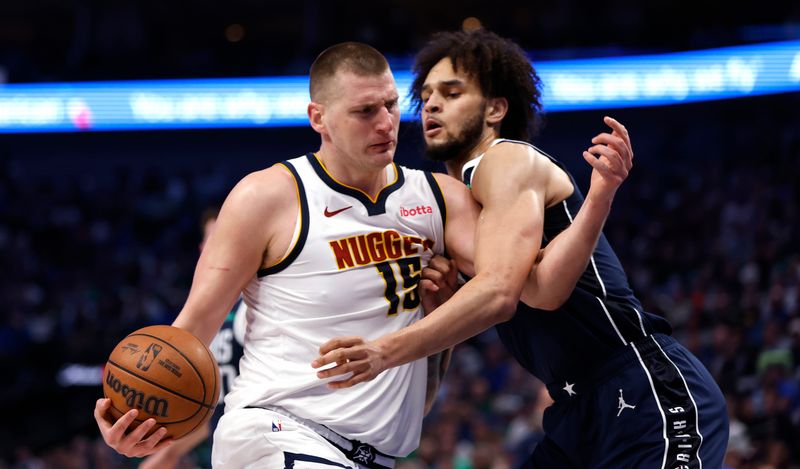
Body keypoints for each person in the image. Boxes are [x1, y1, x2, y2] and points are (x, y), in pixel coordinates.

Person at [93, 41, 627, 468]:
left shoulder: (440, 199)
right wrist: (139, 419)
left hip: (376, 454)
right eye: (365, 111)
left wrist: (595, 199)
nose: (386, 123)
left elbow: (519, 289)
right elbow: (192, 329)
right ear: (318, 117)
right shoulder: (267, 196)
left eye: (392, 106)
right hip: (279, 432)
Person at [313, 30, 729, 468]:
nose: (432, 104)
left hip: (643, 386)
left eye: (452, 93)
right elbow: (528, 290)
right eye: (427, 95)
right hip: (576, 407)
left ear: (495, 109)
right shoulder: (455, 201)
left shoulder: (503, 159)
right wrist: (442, 304)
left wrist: (383, 351)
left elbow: (535, 293)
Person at [138, 208, 246, 469]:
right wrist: (168, 453)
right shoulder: (203, 317)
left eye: (226, 237)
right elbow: (216, 409)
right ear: (201, 250)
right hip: (229, 451)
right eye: (212, 240)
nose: (219, 247)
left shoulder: (262, 305)